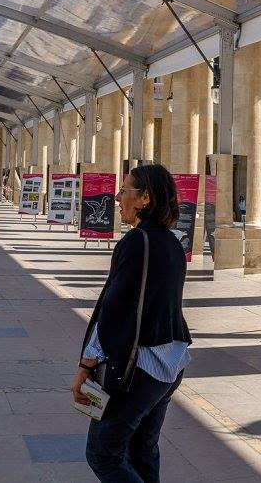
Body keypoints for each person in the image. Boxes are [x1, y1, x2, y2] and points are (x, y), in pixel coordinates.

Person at [77, 165, 190, 483]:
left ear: (144, 198)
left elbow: (113, 311)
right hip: (171, 364)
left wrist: (86, 366)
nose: (117, 197)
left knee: (104, 454)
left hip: (139, 368)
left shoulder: (136, 241)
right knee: (142, 450)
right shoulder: (172, 243)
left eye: (125, 190)